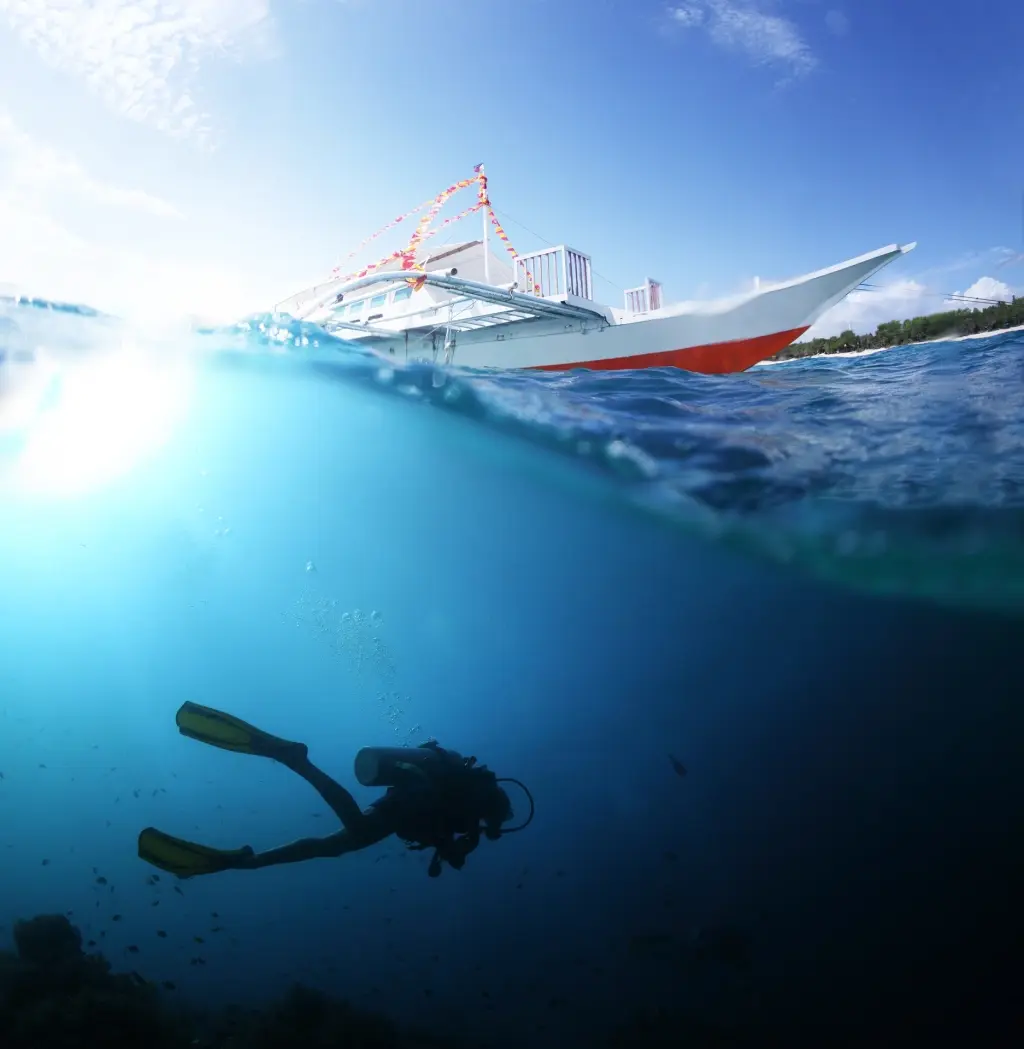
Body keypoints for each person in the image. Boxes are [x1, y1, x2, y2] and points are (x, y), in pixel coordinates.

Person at [138, 702, 516, 879]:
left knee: (334, 845)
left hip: (412, 797)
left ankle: (250, 861)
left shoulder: (474, 805)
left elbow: (447, 841)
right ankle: (296, 760)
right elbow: (457, 851)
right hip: (418, 797)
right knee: (351, 830)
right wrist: (461, 847)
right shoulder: (478, 811)